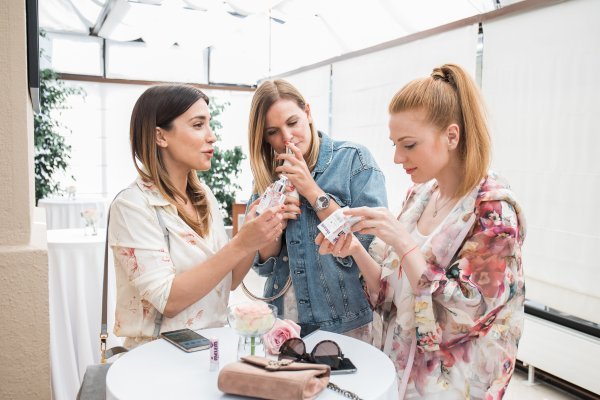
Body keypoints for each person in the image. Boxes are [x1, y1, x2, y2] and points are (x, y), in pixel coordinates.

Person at [317, 64, 526, 398]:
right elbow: (392, 294)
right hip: (400, 376)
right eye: (395, 144)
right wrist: (355, 249)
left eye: (409, 144)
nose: (398, 157)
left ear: (452, 136)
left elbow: (467, 316)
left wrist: (402, 242)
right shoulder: (420, 197)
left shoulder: (493, 211)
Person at [108, 85, 284, 349]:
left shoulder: (204, 197)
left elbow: (230, 280)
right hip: (157, 358)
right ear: (160, 136)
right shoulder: (132, 206)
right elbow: (168, 300)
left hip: (209, 349)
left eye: (209, 124)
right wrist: (242, 243)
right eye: (198, 125)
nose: (212, 137)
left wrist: (254, 231)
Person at [246, 79, 388, 338]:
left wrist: (310, 190)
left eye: (292, 123)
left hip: (346, 325)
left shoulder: (354, 160)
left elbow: (368, 246)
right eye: (272, 131)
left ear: (308, 113)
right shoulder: (268, 178)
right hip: (282, 323)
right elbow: (264, 267)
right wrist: (275, 224)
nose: (286, 137)